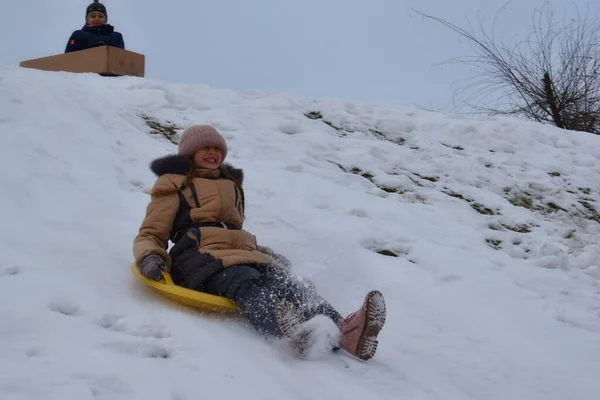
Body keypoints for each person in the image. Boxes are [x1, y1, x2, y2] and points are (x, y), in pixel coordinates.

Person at [133, 125, 387, 360]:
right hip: (197, 258)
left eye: (217, 149)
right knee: (244, 278)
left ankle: (346, 331)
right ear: (189, 154)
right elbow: (152, 231)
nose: (213, 152)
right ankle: (294, 331)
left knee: (288, 281)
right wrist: (149, 256)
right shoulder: (174, 183)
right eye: (205, 148)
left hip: (236, 252)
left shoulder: (230, 185)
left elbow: (233, 232)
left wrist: (267, 254)